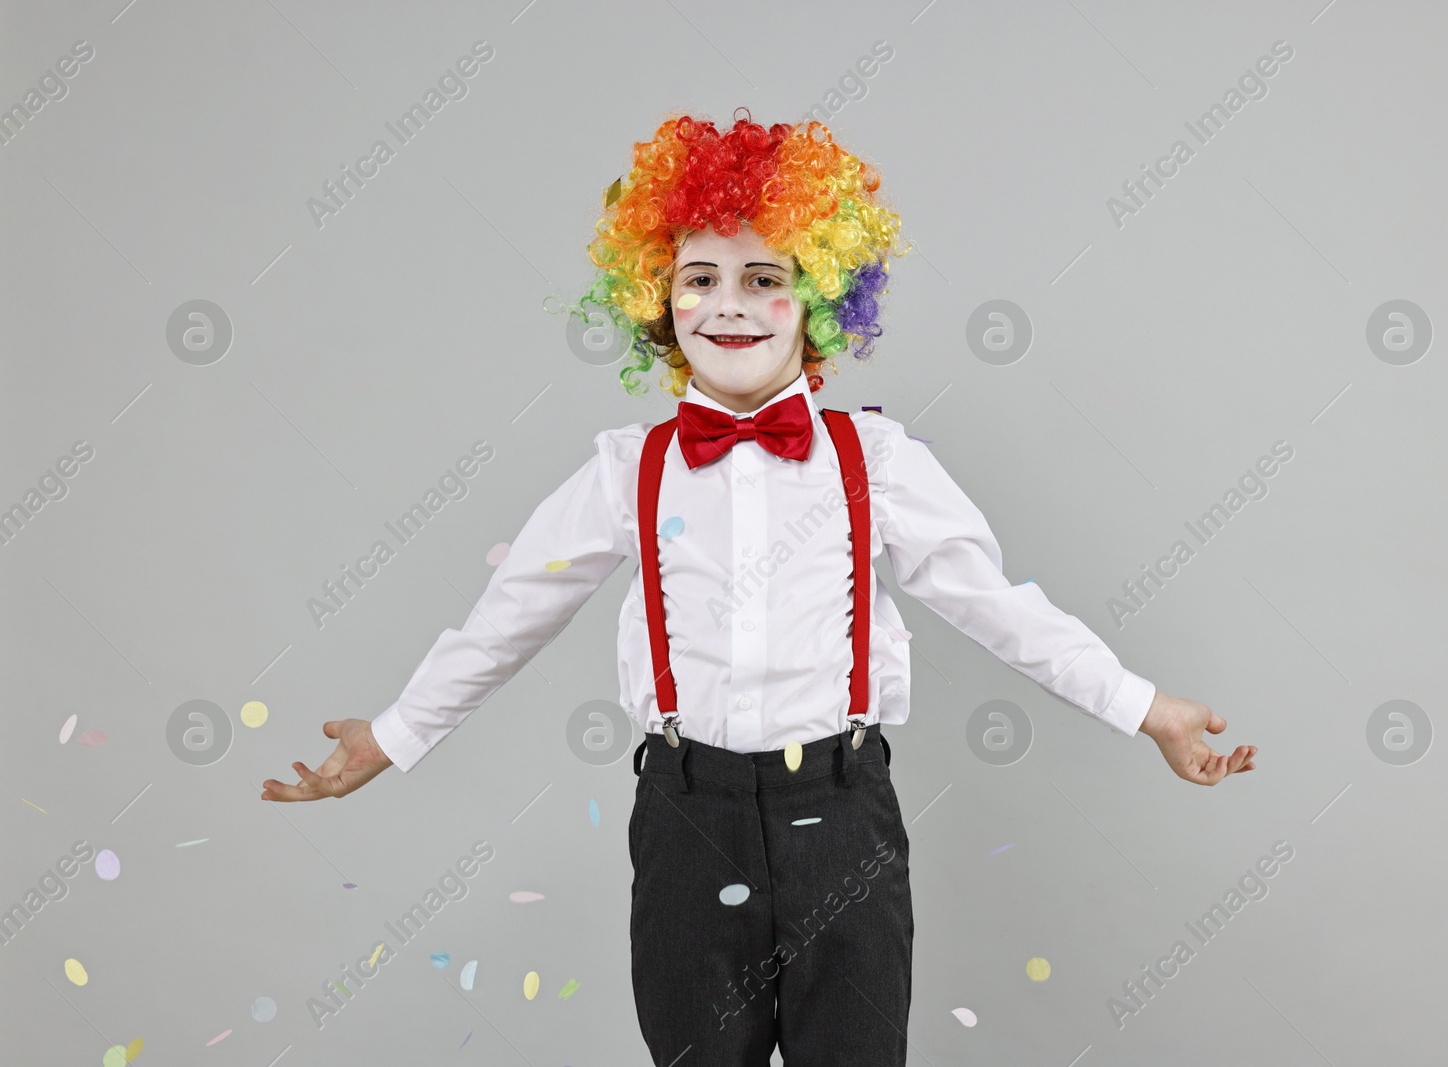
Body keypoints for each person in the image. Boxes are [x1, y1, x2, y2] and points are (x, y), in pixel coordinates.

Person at [262, 110, 1256, 1065]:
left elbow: (999, 606)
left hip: (844, 808)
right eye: (699, 277)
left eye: (762, 277)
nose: (728, 304)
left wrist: (1147, 708)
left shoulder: (879, 460)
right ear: (658, 297)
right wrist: (392, 735)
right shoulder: (626, 468)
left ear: (820, 296)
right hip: (685, 815)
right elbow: (507, 616)